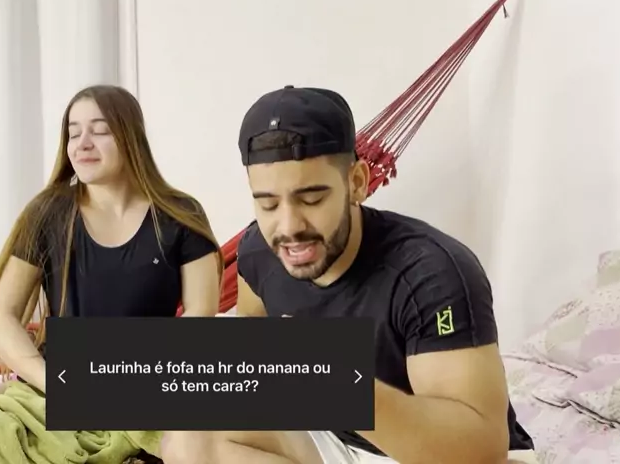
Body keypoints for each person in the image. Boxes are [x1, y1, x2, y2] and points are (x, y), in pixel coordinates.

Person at [161, 86, 537, 464]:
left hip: (433, 452)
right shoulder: (259, 249)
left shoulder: (431, 272)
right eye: (268, 204)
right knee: (185, 441)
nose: (289, 227)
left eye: (312, 199)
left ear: (356, 182)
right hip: (334, 436)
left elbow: (481, 451)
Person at [0, 85, 223, 464]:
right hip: (51, 383)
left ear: (131, 136)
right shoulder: (49, 211)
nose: (82, 144)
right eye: (73, 133)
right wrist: (52, 381)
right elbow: (0, 318)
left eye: (100, 130)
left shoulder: (180, 214)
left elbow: (200, 321)